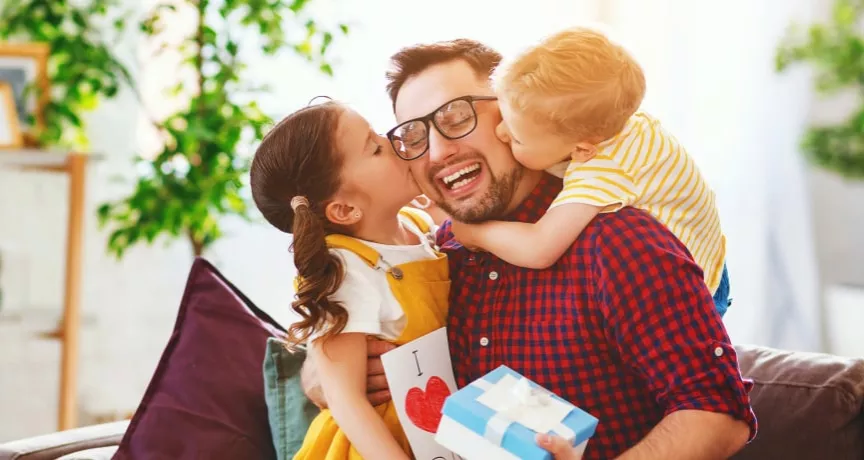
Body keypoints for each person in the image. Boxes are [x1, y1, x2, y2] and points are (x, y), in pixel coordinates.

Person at [302, 38, 757, 459]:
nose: (438, 152)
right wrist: (325, 379)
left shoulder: (617, 239)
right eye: (414, 137)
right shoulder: (437, 258)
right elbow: (334, 339)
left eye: (457, 117)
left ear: (512, 112)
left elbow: (718, 414)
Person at [448, 27, 731, 317]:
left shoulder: (605, 170)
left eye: (517, 138)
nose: (500, 132)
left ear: (582, 151)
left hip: (695, 288)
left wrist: (475, 233)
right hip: (711, 252)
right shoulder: (614, 121)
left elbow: (540, 247)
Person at [250, 100, 449, 460]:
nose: (391, 140)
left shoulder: (420, 227)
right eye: (374, 148)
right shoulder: (345, 268)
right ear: (344, 209)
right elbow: (344, 399)